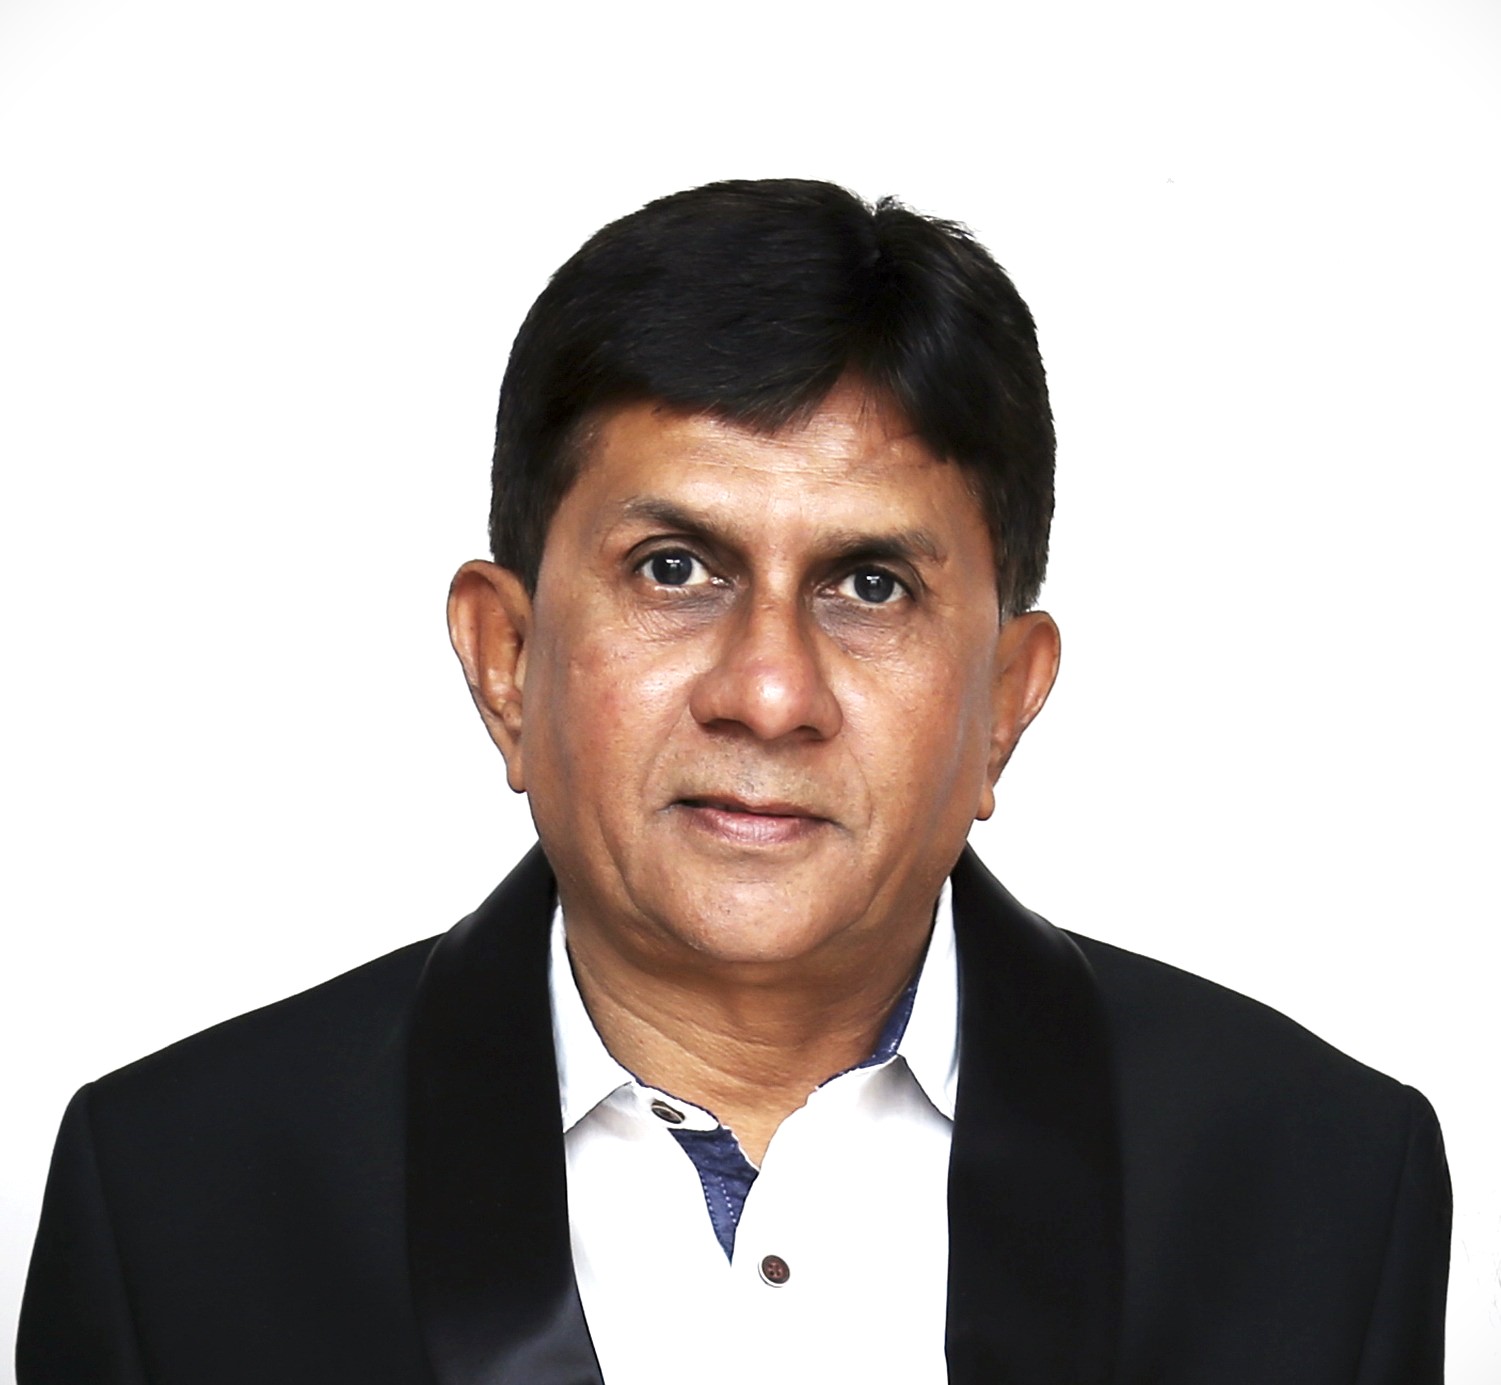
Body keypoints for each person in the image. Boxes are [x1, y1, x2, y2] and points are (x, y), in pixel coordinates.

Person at [17, 179, 1450, 1384]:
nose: (767, 692)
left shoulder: (1319, 1188)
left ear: (1005, 702)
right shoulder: (175, 1202)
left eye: (870, 585)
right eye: (674, 569)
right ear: (506, 658)